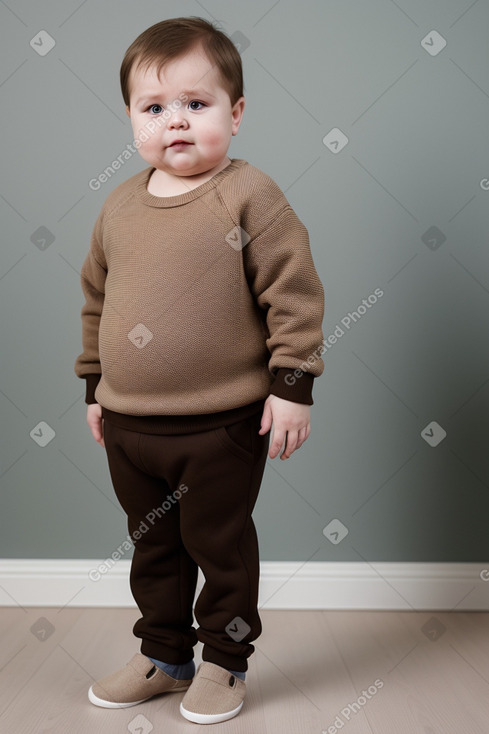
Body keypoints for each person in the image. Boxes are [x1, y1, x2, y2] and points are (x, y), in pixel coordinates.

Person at [74, 16, 325, 725]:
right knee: (153, 547)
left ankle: (223, 661)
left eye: (196, 103)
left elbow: (293, 296)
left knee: (218, 547)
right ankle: (163, 655)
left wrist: (293, 387)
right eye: (154, 108)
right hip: (129, 423)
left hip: (221, 425)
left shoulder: (250, 197)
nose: (174, 122)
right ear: (131, 118)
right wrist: (95, 387)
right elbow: (96, 299)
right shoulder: (119, 205)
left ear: (235, 114)